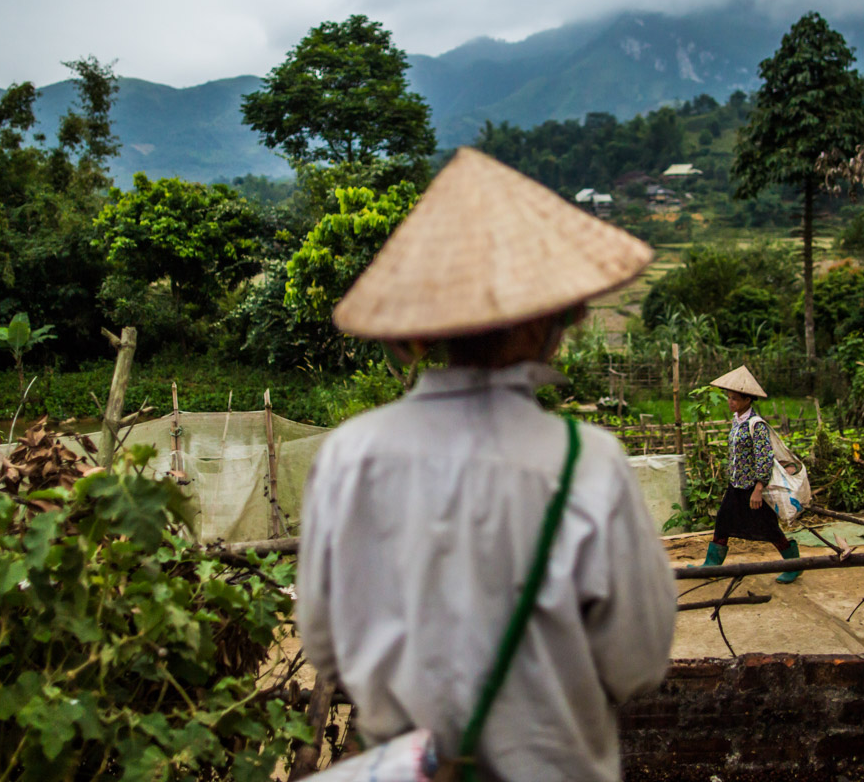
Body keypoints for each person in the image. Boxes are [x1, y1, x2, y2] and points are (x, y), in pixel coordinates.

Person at [297, 148, 678, 782]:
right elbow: (636, 662)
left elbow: (324, 643)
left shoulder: (350, 455)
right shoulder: (587, 466)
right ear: (552, 317)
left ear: (423, 328)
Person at [691, 366, 801, 584]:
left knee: (769, 528)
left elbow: (764, 457)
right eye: (729, 397)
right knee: (723, 521)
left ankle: (794, 565)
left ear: (747, 400)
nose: (730, 402)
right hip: (736, 486)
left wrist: (758, 488)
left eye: (735, 398)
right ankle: (711, 566)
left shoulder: (756, 425)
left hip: (752, 488)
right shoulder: (737, 421)